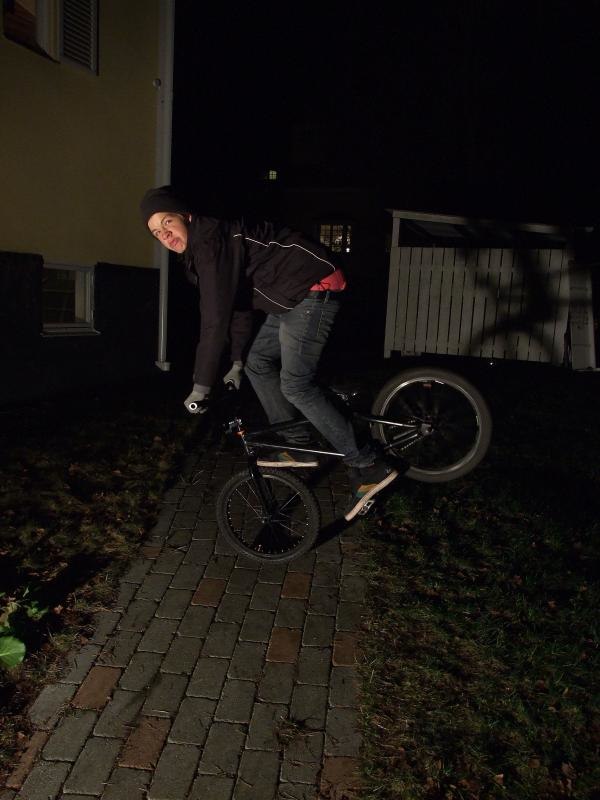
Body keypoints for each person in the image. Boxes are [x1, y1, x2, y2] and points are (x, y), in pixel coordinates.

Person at [140, 185, 400, 520]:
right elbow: (238, 309)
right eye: (156, 232)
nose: (165, 234)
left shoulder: (212, 241)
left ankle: (367, 462)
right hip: (290, 299)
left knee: (296, 384)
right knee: (256, 362)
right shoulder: (200, 253)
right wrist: (235, 361)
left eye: (168, 222)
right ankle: (294, 442)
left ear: (186, 216)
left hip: (312, 286)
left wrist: (201, 385)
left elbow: (214, 319)